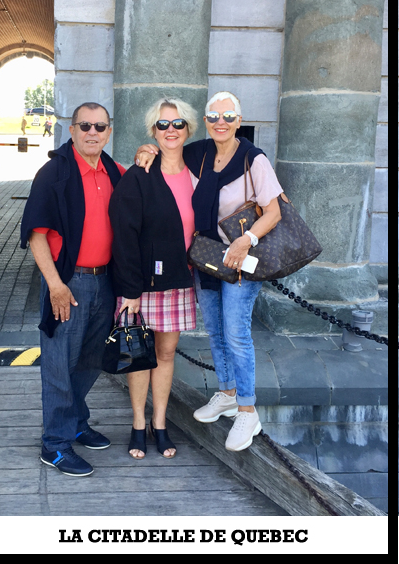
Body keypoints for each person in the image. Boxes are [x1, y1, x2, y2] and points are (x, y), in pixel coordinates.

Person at [133, 91, 282, 451]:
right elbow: (167, 143)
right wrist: (146, 148)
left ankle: (247, 409)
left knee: (235, 332)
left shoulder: (253, 158)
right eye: (214, 116)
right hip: (208, 258)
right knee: (215, 330)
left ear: (239, 118)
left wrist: (247, 239)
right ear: (206, 120)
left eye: (228, 115)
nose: (221, 122)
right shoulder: (199, 153)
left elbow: (274, 212)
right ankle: (227, 392)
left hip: (241, 260)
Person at [20, 102, 126, 476]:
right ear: (72, 130)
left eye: (100, 126)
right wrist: (55, 285)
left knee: (91, 360)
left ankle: (76, 420)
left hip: (105, 281)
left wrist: (149, 154)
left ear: (109, 131)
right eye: (85, 126)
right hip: (70, 281)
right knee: (59, 365)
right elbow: (35, 236)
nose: (92, 132)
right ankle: (56, 444)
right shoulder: (54, 174)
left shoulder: (115, 171)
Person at [109, 97, 200, 460]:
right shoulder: (140, 174)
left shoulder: (200, 171)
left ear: (189, 129)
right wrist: (130, 288)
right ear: (153, 131)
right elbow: (124, 233)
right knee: (139, 356)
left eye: (177, 124)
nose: (170, 131)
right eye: (162, 125)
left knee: (165, 354)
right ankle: (137, 424)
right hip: (142, 285)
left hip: (179, 280)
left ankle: (159, 424)